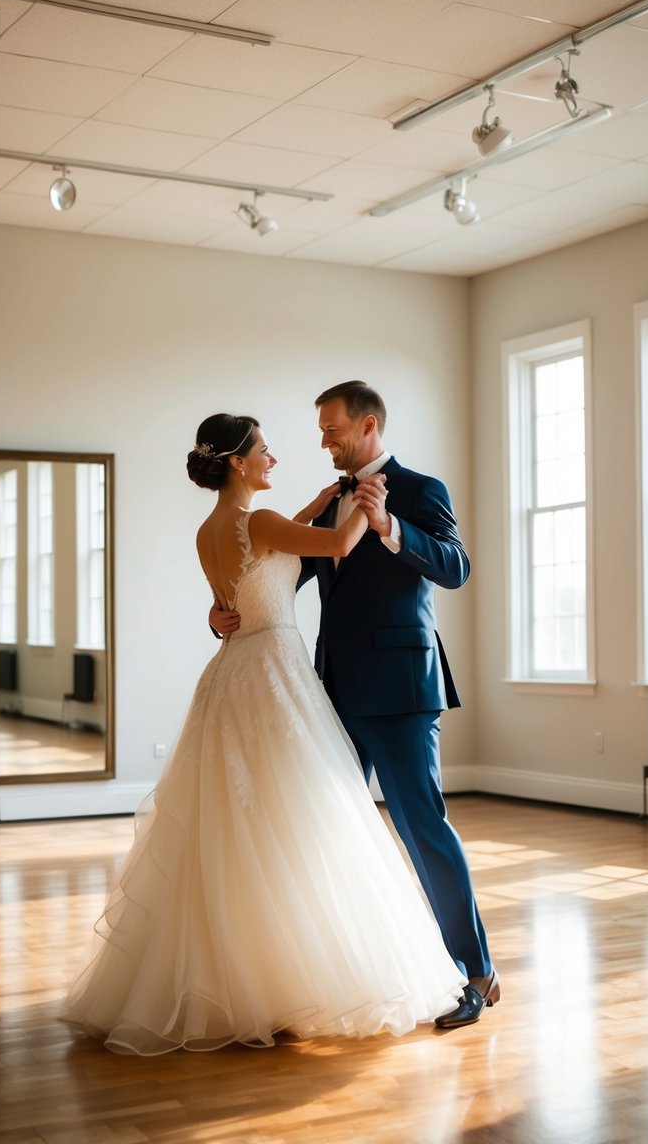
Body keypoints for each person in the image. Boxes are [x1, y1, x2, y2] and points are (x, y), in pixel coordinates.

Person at [62, 414, 466, 1054]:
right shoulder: (262, 524)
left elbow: (258, 571)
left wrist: (333, 501)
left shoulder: (210, 530)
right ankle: (291, 974)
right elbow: (328, 547)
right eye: (265, 450)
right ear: (240, 462)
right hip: (275, 672)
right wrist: (370, 503)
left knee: (242, 823)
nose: (276, 457)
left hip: (230, 673)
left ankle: (248, 973)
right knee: (299, 816)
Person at [213, 383, 498, 1029]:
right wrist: (222, 611)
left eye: (331, 430)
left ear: (367, 425)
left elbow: (454, 568)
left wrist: (391, 527)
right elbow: (278, 577)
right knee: (317, 832)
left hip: (400, 689)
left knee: (422, 830)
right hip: (326, 692)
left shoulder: (422, 490)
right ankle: (309, 983)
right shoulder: (328, 505)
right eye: (320, 430)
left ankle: (473, 971)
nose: (322, 441)